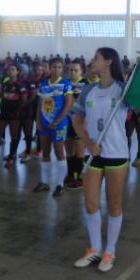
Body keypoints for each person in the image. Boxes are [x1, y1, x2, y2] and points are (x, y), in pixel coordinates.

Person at [72, 48, 130, 272]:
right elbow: (77, 120)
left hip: (116, 154)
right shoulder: (88, 90)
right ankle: (95, 248)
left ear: (107, 62)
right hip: (93, 154)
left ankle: (110, 251)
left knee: (114, 204)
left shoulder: (123, 90)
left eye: (96, 58)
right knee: (91, 203)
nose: (91, 61)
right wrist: (88, 143)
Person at [32, 58, 73, 196]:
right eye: (54, 66)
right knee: (45, 152)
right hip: (44, 123)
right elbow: (40, 104)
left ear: (62, 69)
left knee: (59, 152)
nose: (56, 69)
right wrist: (37, 120)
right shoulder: (44, 84)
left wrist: (58, 121)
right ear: (49, 68)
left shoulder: (66, 84)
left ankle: (60, 184)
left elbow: (68, 105)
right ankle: (44, 182)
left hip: (59, 124)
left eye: (59, 67)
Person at [0, 64, 26, 167]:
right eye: (9, 70)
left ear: (17, 72)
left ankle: (11, 156)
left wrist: (18, 111)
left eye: (13, 69)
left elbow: (23, 100)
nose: (10, 71)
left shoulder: (20, 85)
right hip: (4, 113)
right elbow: (2, 97)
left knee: (14, 135)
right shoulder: (5, 83)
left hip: (14, 114)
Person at [64, 59, 88, 188]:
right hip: (66, 120)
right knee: (69, 149)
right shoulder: (64, 84)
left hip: (81, 121)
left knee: (79, 149)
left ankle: (78, 176)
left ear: (82, 71)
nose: (72, 73)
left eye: (76, 70)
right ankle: (69, 174)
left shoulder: (86, 84)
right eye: (70, 70)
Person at [18, 63, 42, 164]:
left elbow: (33, 96)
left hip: (38, 107)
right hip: (30, 108)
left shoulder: (43, 80)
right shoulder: (27, 80)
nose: (37, 71)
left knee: (39, 129)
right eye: (35, 70)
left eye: (39, 70)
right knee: (28, 131)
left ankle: (38, 150)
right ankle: (28, 150)